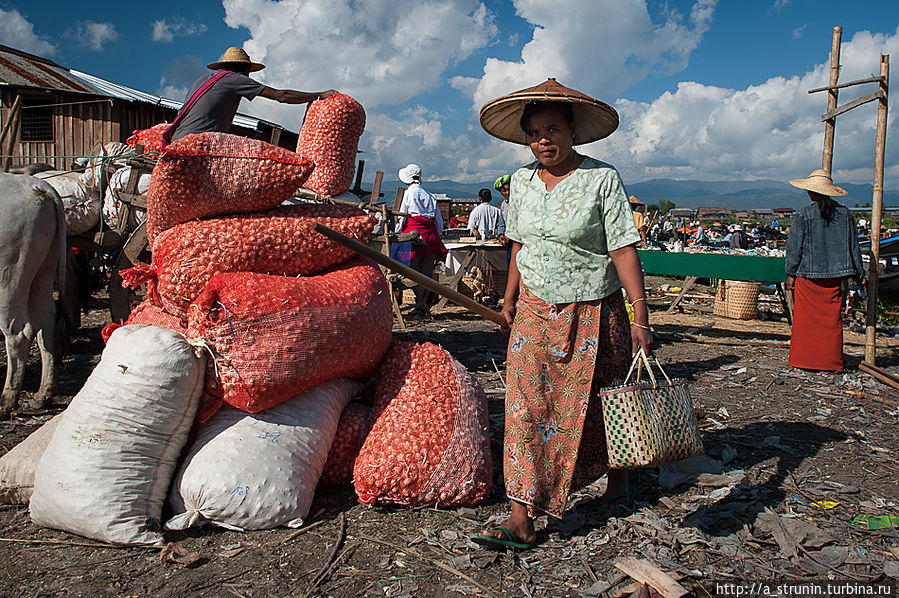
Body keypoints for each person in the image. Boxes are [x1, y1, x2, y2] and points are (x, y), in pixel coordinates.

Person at [470, 78, 652, 550]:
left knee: (599, 402)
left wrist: (641, 317)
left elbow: (623, 249)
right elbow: (519, 246)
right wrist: (508, 301)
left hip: (594, 311)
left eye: (552, 129)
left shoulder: (601, 178)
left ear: (573, 131)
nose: (542, 140)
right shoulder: (522, 184)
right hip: (533, 311)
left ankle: (617, 484)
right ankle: (521, 517)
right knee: (525, 409)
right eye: (534, 132)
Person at [165, 47, 338, 144]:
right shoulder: (235, 79)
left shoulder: (203, 80)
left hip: (177, 140)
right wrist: (319, 95)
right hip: (197, 144)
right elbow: (281, 95)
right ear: (245, 69)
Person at [785, 169, 865, 371]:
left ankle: (804, 360)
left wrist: (790, 273)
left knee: (805, 322)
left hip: (808, 277)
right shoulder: (846, 215)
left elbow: (795, 248)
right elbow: (854, 247)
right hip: (835, 277)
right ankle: (830, 361)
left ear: (810, 192)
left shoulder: (803, 215)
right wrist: (858, 273)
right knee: (831, 320)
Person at [395, 163, 447, 316]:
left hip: (413, 236)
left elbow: (402, 217)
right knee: (426, 273)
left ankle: (420, 305)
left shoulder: (408, 194)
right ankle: (424, 304)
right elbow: (439, 221)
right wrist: (435, 237)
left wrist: (397, 234)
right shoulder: (430, 195)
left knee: (412, 272)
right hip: (430, 237)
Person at [495, 174, 513, 265]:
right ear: (500, 192)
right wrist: (501, 234)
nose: (507, 192)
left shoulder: (519, 202)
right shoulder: (503, 205)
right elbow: (502, 224)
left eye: (509, 189)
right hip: (509, 244)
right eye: (504, 190)